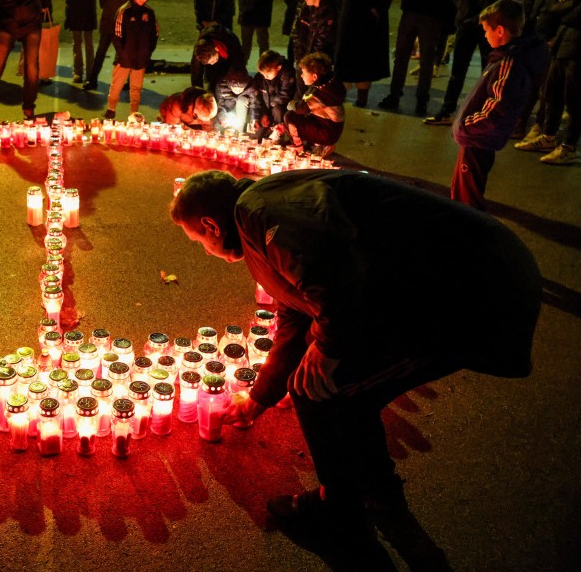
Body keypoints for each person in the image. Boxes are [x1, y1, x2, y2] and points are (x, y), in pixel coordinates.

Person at [170, 167, 539, 568]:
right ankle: (355, 500)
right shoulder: (258, 214)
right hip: (433, 284)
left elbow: (336, 277)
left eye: (198, 241)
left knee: (323, 389)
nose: (205, 250)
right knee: (330, 390)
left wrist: (328, 349)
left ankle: (351, 514)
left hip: (469, 293)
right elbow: (295, 313)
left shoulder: (263, 211)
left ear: (210, 223)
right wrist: (259, 398)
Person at [447, 0, 547, 209]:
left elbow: (497, 107)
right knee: (464, 190)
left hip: (478, 140)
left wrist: (466, 125)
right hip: (477, 139)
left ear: (500, 30)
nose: (484, 35)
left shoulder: (508, 63)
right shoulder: (503, 59)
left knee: (468, 197)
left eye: (486, 30)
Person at [430, 0, 529, 122]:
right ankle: (448, 109)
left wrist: (485, 17)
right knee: (458, 70)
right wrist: (468, 14)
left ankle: (481, 112)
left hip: (493, 27)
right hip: (469, 23)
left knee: (490, 73)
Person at [515, 0, 581, 166]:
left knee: (575, 99)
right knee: (552, 91)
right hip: (562, 41)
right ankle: (548, 135)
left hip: (579, 47)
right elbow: (554, 6)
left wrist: (566, 5)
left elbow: (577, 13)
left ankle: (568, 146)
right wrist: (567, 5)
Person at [105, 0, 158, 120]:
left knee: (136, 87)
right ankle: (111, 109)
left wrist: (147, 52)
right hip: (124, 56)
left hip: (141, 57)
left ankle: (134, 113)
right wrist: (122, 54)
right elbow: (116, 34)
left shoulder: (149, 13)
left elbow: (155, 34)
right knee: (117, 84)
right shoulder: (124, 11)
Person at [283, 52, 346, 157]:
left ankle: (298, 148)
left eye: (303, 73)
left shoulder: (321, 94)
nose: (301, 76)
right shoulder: (328, 84)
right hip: (328, 127)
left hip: (328, 132)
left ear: (314, 76)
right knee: (297, 118)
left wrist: (290, 104)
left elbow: (300, 108)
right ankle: (318, 145)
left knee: (290, 117)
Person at [291, 0, 339, 99]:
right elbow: (298, 34)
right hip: (304, 62)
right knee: (300, 96)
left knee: (313, 99)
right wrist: (300, 60)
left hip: (316, 69)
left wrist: (310, 66)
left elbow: (324, 43)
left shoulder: (331, 13)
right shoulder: (307, 9)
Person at [249, 50, 295, 141]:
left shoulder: (287, 74)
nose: (265, 77)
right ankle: (264, 133)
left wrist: (270, 108)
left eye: (267, 74)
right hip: (266, 109)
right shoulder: (260, 77)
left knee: (278, 109)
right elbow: (256, 98)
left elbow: (285, 95)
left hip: (281, 111)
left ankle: (277, 133)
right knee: (254, 138)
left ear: (278, 68)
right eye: (262, 74)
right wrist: (258, 117)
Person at [192, 24, 246, 94]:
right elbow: (196, 72)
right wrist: (198, 92)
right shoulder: (199, 50)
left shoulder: (231, 42)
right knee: (212, 80)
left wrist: (239, 82)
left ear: (217, 48)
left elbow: (239, 63)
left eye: (212, 60)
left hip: (228, 60)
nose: (211, 64)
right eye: (208, 63)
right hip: (217, 58)